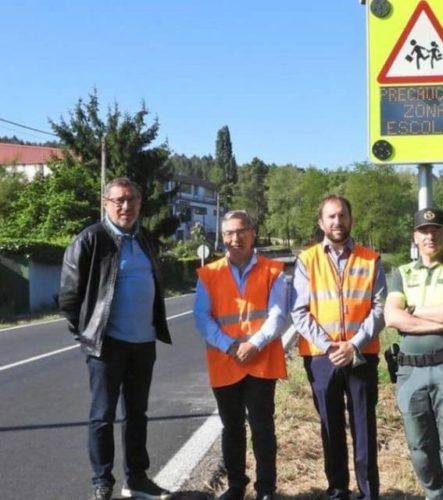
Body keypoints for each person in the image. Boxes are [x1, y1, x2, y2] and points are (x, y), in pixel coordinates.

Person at [59, 177, 172, 500]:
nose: (126, 206)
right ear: (105, 203)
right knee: (103, 415)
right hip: (107, 345)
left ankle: (136, 480)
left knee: (137, 415)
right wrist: (89, 334)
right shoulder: (91, 239)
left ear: (140, 203)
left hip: (144, 343)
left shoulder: (145, 238)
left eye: (132, 199)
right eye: (119, 200)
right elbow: (69, 296)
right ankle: (102, 481)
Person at [291, 195, 386, 500]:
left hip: (361, 355)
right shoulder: (307, 260)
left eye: (342, 215)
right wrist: (331, 347)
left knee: (364, 427)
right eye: (331, 217)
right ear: (321, 223)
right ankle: (338, 490)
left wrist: (354, 345)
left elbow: (380, 308)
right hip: (322, 358)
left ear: (350, 219)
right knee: (330, 427)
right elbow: (299, 312)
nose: (337, 222)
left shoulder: (371, 259)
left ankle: (369, 492)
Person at [194, 210, 289, 500]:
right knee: (232, 427)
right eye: (229, 233)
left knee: (262, 427)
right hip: (226, 361)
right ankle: (236, 486)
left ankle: (266, 489)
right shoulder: (209, 273)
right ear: (222, 237)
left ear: (252, 233)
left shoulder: (273, 271)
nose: (235, 238)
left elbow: (278, 315)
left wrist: (253, 345)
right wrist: (230, 346)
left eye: (241, 231)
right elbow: (202, 317)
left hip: (260, 361)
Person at [384, 207, 443, 500]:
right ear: (415, 236)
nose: (430, 236)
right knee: (420, 449)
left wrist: (413, 312)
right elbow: (392, 317)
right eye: (423, 231)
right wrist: (438, 321)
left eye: (435, 229)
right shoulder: (402, 273)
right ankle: (433, 496)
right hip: (410, 371)